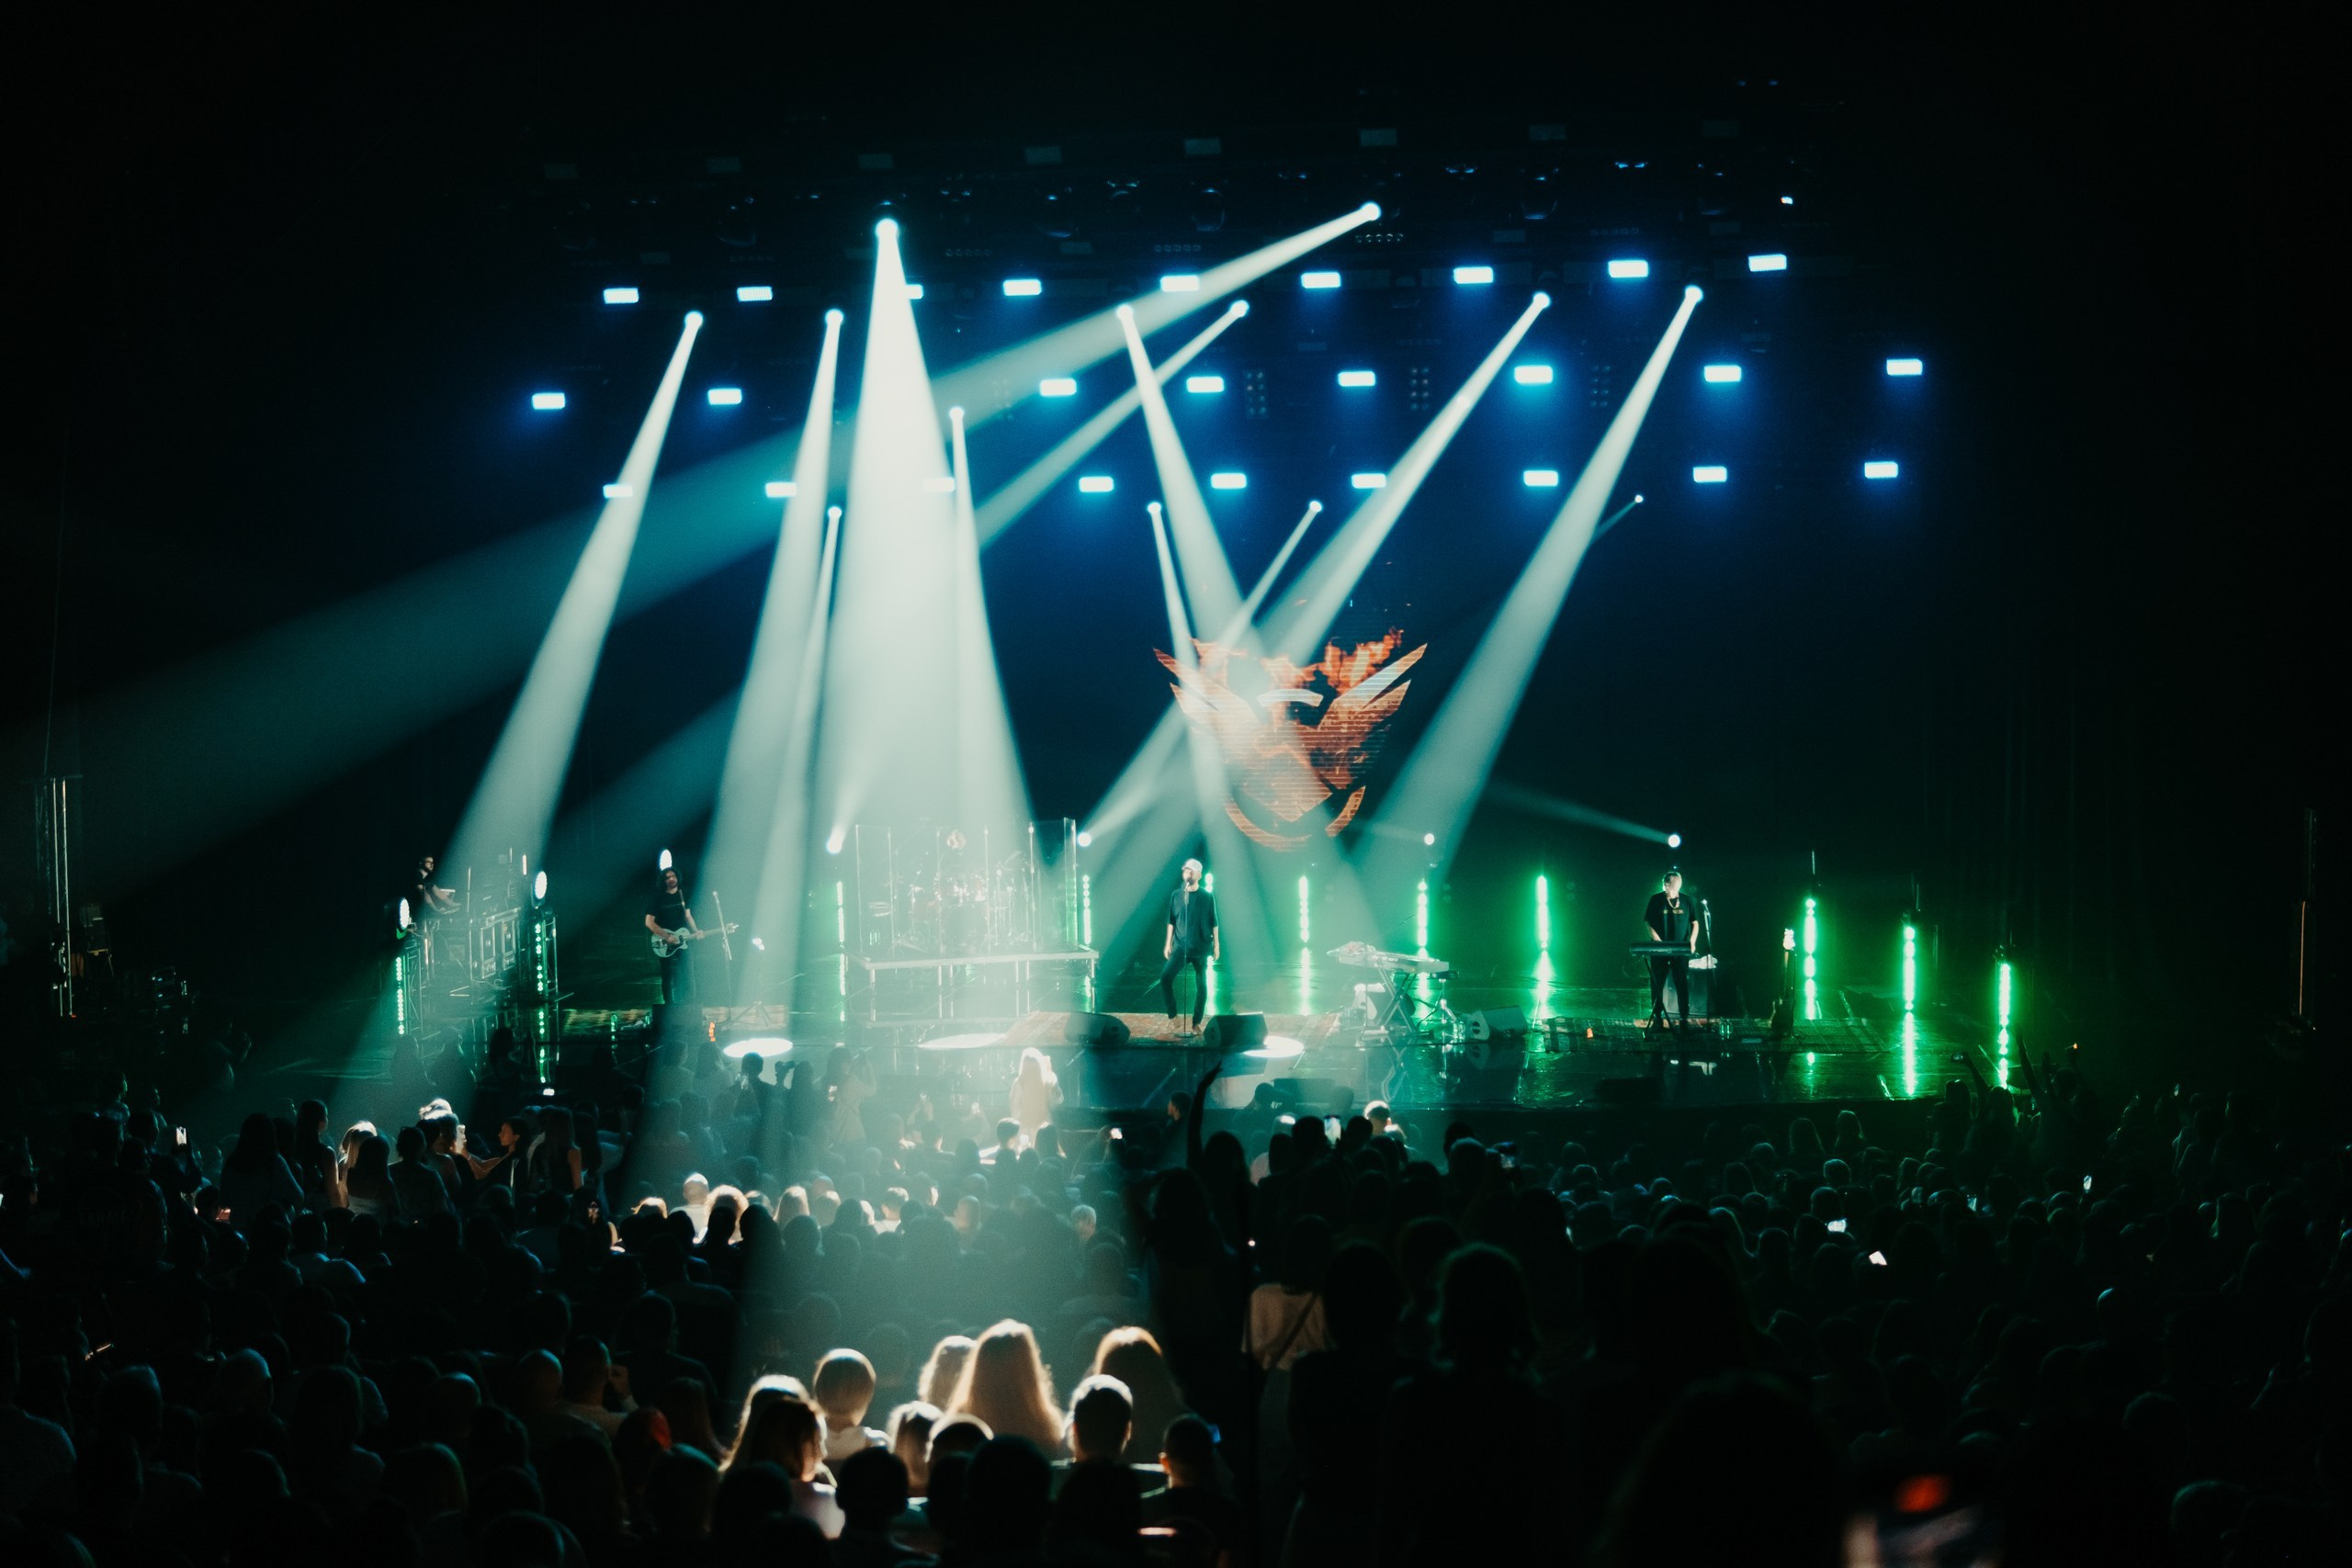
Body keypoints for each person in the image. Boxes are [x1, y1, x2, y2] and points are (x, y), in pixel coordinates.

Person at [1159, 858, 1220, 1037]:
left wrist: (1217, 945)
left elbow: (1214, 922)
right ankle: (1173, 1016)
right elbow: (1171, 920)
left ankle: (1196, 1023)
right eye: (1186, 870)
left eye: (1191, 871)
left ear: (1199, 875)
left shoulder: (1207, 897)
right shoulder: (1176, 895)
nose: (1188, 873)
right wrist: (1167, 943)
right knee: (1165, 978)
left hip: (1200, 947)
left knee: (1202, 985)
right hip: (1180, 947)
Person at [1643, 867, 1699, 1032]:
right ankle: (1657, 1017)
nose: (1665, 886)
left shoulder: (1687, 901)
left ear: (1675, 884)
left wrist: (1692, 941)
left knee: (1681, 982)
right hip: (1659, 949)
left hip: (1680, 949)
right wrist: (1657, 941)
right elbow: (1648, 922)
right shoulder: (1656, 899)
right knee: (1657, 982)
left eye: (1668, 883)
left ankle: (1683, 1017)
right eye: (1665, 883)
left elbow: (1695, 922)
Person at [645, 863, 703, 1005]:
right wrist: (667, 936)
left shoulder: (683, 895)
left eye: (673, 876)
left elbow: (688, 916)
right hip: (665, 941)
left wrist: (696, 931)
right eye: (667, 877)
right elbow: (649, 922)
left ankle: (691, 1004)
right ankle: (668, 1006)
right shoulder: (657, 898)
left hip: (683, 938)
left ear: (677, 877)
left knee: (689, 973)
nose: (671, 879)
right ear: (663, 881)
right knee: (667, 975)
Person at [1010, 1047, 1063, 1139]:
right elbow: (1015, 1110)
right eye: (1028, 1068)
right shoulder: (1018, 1084)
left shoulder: (1048, 1081)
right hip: (1023, 1129)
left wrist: (1055, 1087)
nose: (1031, 1072)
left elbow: (1056, 1104)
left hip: (1044, 1128)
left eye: (1034, 1069)